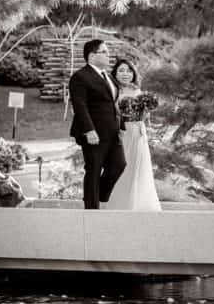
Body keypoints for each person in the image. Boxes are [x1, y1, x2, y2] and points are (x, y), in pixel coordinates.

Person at [69, 40, 126, 209]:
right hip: (93, 133)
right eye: (105, 52)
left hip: (113, 132)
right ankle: (91, 209)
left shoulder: (108, 76)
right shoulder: (80, 77)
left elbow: (113, 103)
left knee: (119, 165)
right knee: (94, 170)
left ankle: (97, 194)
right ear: (92, 56)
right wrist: (89, 130)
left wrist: (121, 126)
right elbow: (80, 105)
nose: (109, 55)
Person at [103, 60, 161, 211]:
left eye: (129, 71)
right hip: (120, 132)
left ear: (133, 74)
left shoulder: (138, 91)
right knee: (122, 166)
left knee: (138, 167)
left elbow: (146, 116)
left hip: (139, 132)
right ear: (115, 73)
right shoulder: (111, 90)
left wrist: (146, 117)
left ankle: (138, 204)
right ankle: (117, 203)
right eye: (121, 70)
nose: (125, 74)